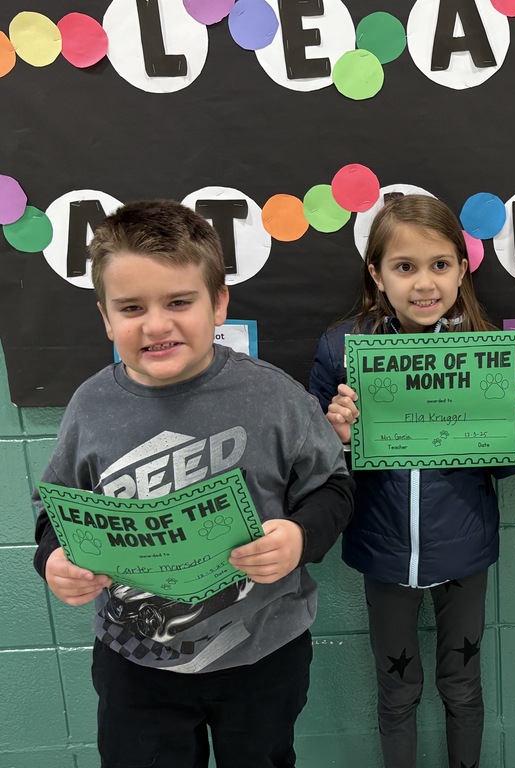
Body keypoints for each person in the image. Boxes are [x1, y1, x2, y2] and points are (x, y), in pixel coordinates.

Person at [32, 200, 354, 768]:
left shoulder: (275, 396)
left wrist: (301, 537)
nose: (156, 324)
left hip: (263, 654)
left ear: (219, 303)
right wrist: (55, 558)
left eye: (179, 301)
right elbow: (55, 512)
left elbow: (333, 488)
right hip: (135, 664)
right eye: (131, 307)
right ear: (106, 317)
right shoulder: (89, 407)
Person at [308, 193, 515, 768]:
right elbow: (310, 463)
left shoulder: (487, 349)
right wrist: (333, 435)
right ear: (376, 274)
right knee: (397, 690)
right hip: (382, 553)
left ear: (463, 269)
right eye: (404, 266)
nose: (424, 283)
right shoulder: (342, 350)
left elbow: (508, 463)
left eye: (440, 265)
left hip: (463, 552)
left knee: (462, 685)